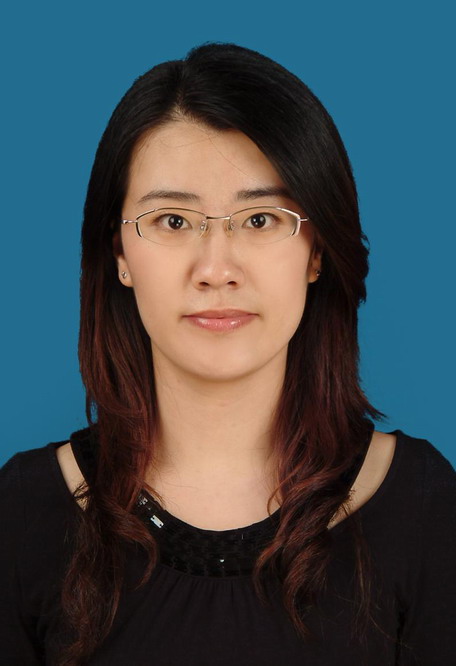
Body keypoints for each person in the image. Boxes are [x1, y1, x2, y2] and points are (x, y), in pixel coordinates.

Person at [0, 42, 455, 666]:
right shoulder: (22, 514)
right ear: (120, 256)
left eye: (261, 219)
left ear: (317, 252)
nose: (216, 269)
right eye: (173, 221)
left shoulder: (424, 507)